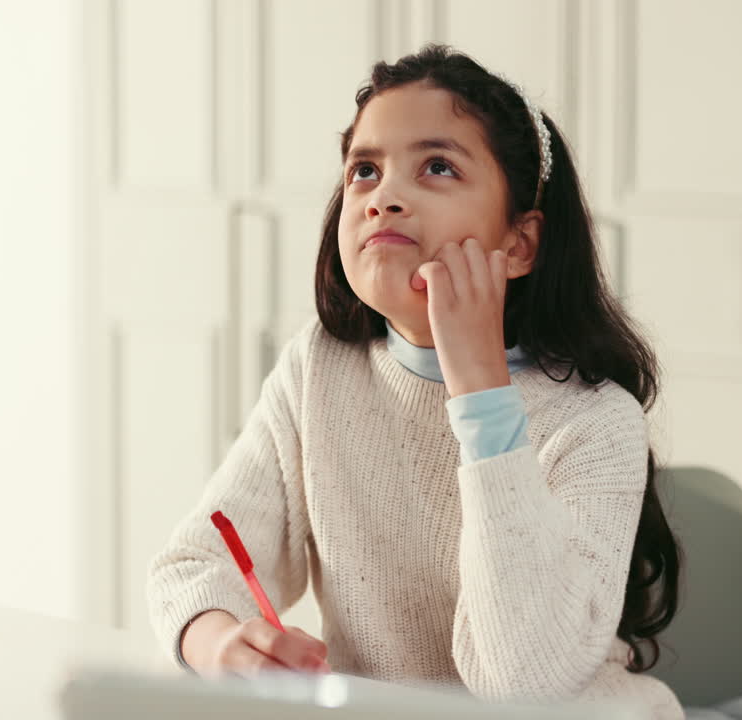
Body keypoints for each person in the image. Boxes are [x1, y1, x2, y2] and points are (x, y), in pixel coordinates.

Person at [147, 44, 685, 720]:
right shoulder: (319, 370)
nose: (384, 198)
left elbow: (522, 682)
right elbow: (192, 564)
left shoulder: (596, 420)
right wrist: (221, 644)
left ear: (519, 245)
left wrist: (482, 392)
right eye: (364, 171)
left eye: (436, 167)